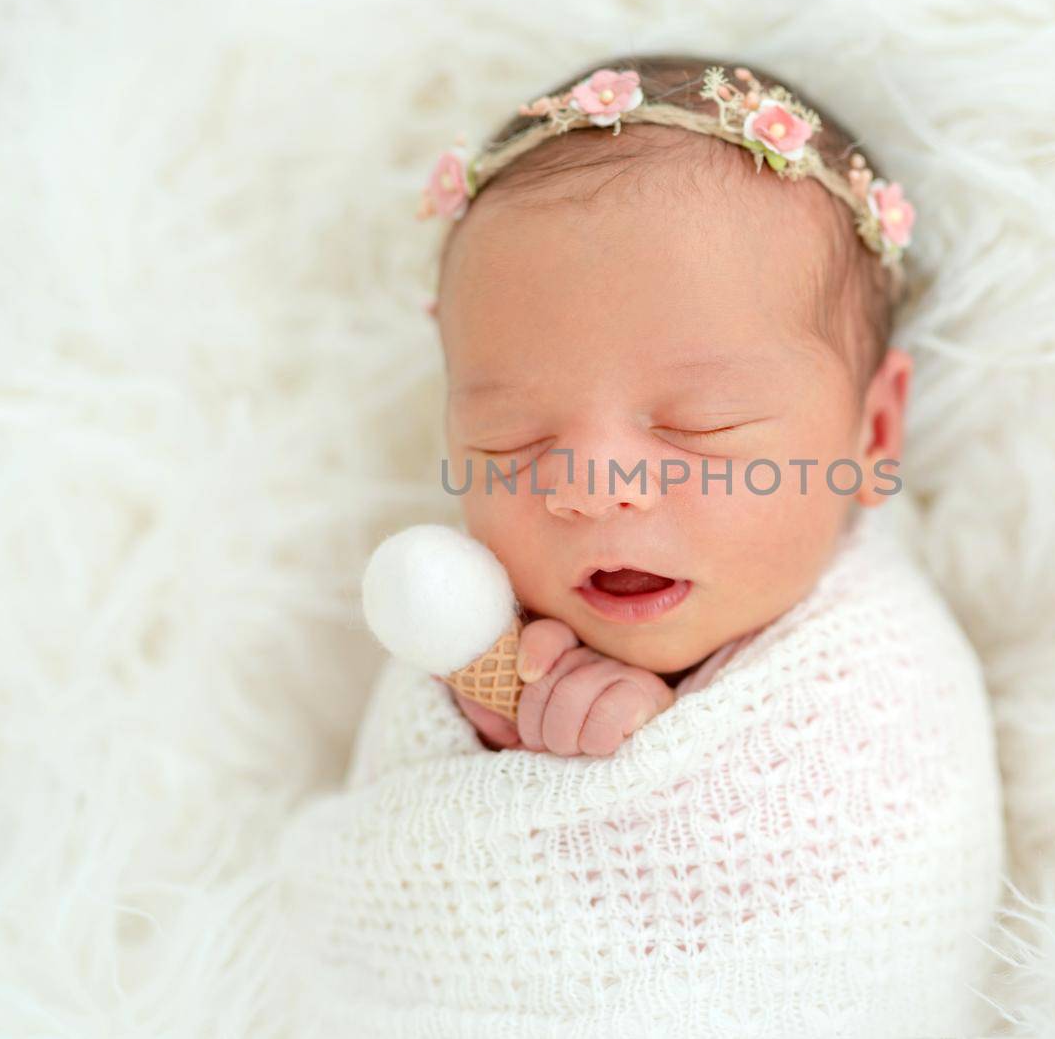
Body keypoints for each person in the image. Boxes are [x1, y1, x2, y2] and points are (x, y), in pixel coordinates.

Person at [279, 54, 1005, 1037]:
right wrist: (498, 729)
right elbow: (413, 875)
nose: (593, 487)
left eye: (698, 426)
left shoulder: (876, 685)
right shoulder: (488, 640)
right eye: (513, 438)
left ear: (871, 433)